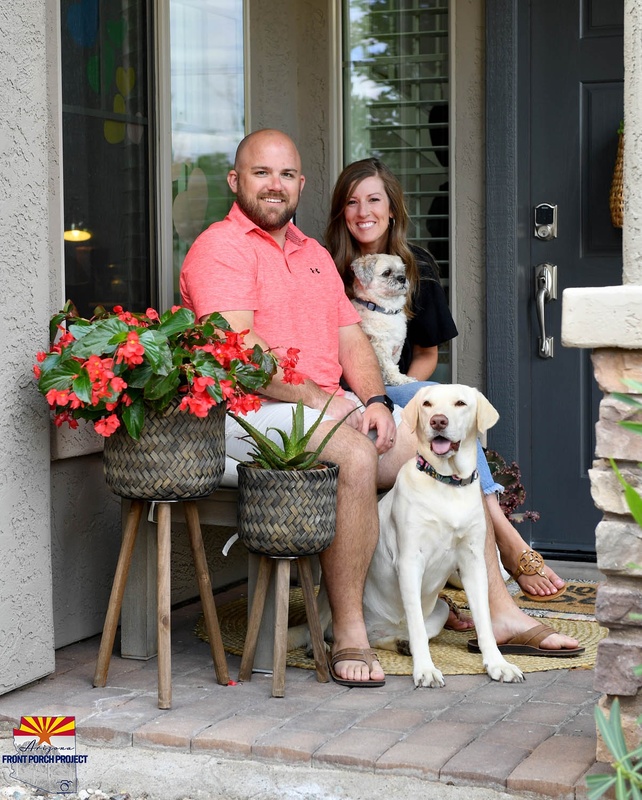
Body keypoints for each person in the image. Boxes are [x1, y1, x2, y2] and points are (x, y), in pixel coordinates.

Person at [180, 129, 581, 686]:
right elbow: (237, 354)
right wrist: (325, 402)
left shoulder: (315, 254)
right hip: (249, 413)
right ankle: (350, 633)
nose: (276, 186)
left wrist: (371, 399)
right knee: (354, 455)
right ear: (236, 180)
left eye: (287, 175)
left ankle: (501, 611)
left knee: (441, 450)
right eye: (262, 173)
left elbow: (351, 342)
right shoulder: (221, 248)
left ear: (300, 183)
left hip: (323, 407)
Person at [325, 156, 567, 603]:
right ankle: (508, 544)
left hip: (395, 386)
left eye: (374, 200)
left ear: (392, 208)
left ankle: (487, 554)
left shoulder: (416, 265)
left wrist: (402, 400)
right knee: (443, 406)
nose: (363, 212)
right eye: (352, 202)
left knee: (441, 404)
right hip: (340, 393)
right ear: (342, 211)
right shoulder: (325, 267)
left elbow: (427, 354)